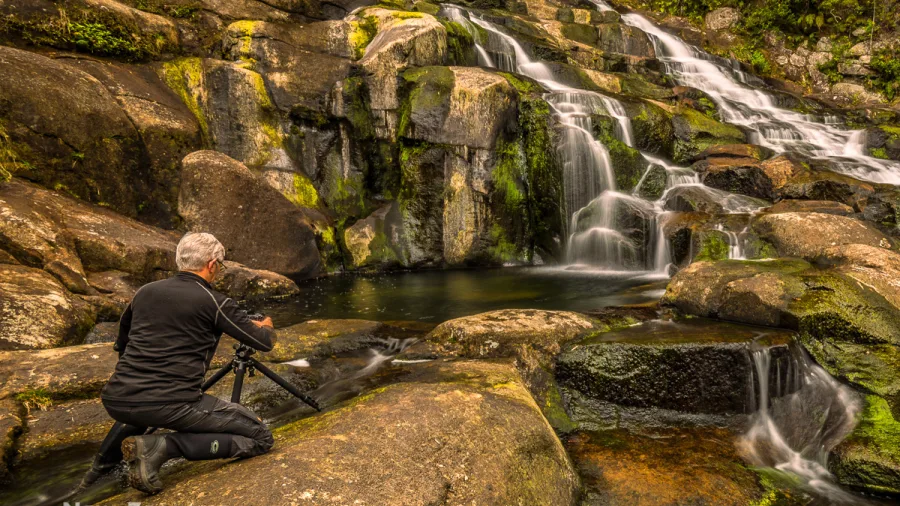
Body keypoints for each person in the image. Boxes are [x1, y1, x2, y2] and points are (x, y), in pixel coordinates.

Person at [77, 232, 277, 495]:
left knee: (146, 403)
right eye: (220, 266)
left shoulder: (145, 292)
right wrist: (267, 326)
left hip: (117, 399)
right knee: (261, 437)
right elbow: (263, 342)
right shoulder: (213, 301)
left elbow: (123, 344)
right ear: (212, 265)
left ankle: (94, 477)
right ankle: (163, 448)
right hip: (174, 403)